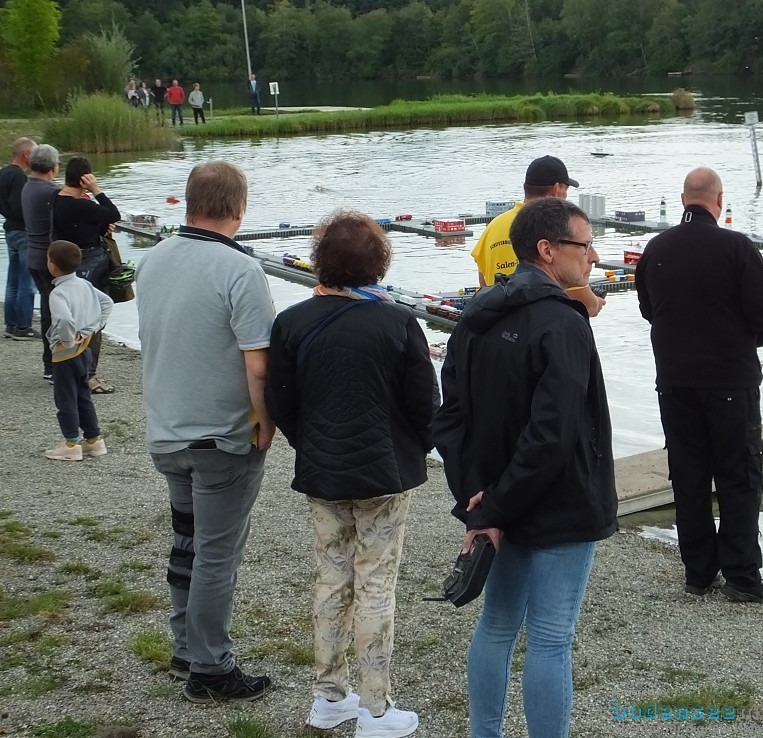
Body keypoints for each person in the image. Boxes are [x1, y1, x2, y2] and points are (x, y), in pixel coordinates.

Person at [434, 198, 617, 738]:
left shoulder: (477, 314)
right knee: (551, 638)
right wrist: (494, 504)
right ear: (547, 249)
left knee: (496, 627)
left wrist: (480, 500)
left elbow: (450, 419)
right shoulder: (563, 322)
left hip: (492, 498)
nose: (594, 256)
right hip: (556, 503)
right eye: (584, 246)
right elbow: (553, 432)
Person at [266, 210, 436, 737]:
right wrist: (412, 448)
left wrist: (311, 443)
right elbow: (425, 406)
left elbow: (280, 401)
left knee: (332, 577)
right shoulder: (398, 322)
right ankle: (377, 709)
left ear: (322, 262)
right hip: (384, 474)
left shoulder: (292, 322)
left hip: (323, 472)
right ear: (377, 263)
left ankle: (329, 696)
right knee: (376, 583)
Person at [136, 160, 276, 703]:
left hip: (167, 431)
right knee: (218, 553)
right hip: (221, 439)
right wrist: (265, 421)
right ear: (239, 210)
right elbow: (257, 362)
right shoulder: (239, 270)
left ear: (190, 201)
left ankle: (183, 646)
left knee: (186, 544)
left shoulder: (154, 259)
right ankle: (211, 670)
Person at [634, 166, 763, 603]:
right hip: (729, 382)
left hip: (675, 381)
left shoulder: (656, 248)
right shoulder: (736, 247)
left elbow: (649, 309)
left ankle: (698, 572)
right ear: (719, 201)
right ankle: (742, 577)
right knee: (738, 475)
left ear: (683, 200)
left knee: (689, 474)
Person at [471, 155, 603, 317]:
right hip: (548, 326)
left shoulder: (494, 226)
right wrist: (597, 302)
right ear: (556, 189)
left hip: (503, 326)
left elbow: (484, 285)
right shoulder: (556, 229)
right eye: (566, 190)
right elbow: (585, 305)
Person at [52, 157, 122, 394]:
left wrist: (101, 227)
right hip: (90, 262)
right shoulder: (81, 204)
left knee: (71, 317)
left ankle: (65, 368)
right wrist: (96, 191)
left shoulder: (56, 201)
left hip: (66, 264)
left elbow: (81, 227)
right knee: (93, 319)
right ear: (85, 178)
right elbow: (114, 213)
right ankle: (90, 375)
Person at [42, 240, 112, 461]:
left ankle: (71, 442)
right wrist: (93, 327)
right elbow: (107, 302)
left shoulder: (58, 293)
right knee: (83, 395)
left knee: (65, 398)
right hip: (85, 350)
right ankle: (93, 439)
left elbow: (63, 319)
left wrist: (68, 340)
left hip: (66, 353)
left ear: (51, 265)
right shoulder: (85, 285)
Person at [21, 143, 61, 381]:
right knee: (57, 313)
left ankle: (50, 364)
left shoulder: (27, 185)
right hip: (49, 258)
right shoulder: (50, 192)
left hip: (33, 255)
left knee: (49, 309)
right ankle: (55, 364)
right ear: (53, 167)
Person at [1, 137, 37, 340]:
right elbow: (19, 206)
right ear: (26, 154)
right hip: (23, 232)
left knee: (13, 279)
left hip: (9, 230)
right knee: (26, 280)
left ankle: (11, 324)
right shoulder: (19, 177)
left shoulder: (3, 173)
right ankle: (23, 326)